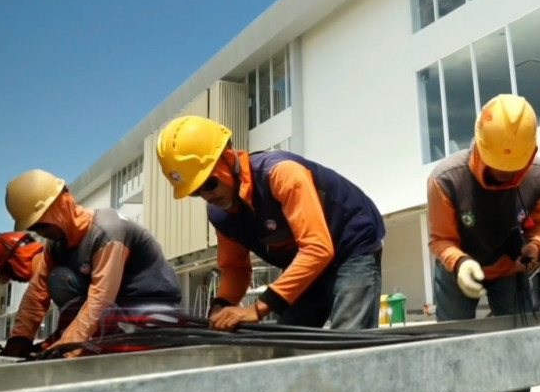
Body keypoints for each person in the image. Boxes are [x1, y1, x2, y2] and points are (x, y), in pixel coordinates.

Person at [155, 116, 385, 331]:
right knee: (285, 344)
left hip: (351, 247)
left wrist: (257, 309)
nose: (207, 196)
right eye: (196, 191)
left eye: (209, 184)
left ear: (228, 158)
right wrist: (221, 306)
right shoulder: (221, 214)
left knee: (347, 341)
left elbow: (317, 248)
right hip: (306, 261)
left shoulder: (281, 173)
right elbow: (235, 269)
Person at [428, 94, 540, 392]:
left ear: (530, 153)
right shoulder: (447, 179)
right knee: (455, 341)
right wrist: (459, 263)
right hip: (459, 268)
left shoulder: (538, 176)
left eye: (513, 169)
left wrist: (535, 245)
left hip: (509, 267)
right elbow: (440, 239)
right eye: (497, 165)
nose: (504, 174)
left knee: (518, 337)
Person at [1, 170, 183, 359]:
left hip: (149, 309)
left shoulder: (107, 232)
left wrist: (67, 348)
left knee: (76, 333)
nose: (42, 232)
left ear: (65, 198)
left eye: (43, 224)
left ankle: (92, 341)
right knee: (58, 279)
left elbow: (100, 299)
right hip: (115, 309)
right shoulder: (55, 245)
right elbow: (37, 292)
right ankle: (78, 339)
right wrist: (20, 338)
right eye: (34, 228)